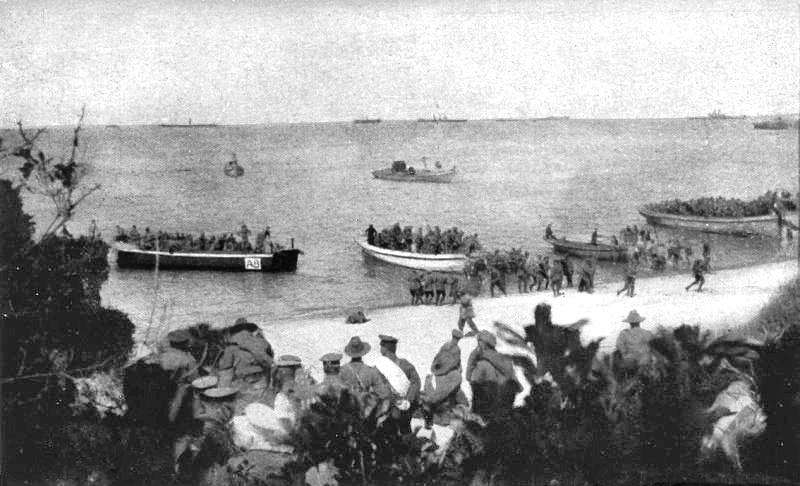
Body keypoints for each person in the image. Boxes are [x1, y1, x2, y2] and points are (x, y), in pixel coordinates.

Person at [466, 331, 518, 418]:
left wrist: (473, 357)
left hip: (486, 411)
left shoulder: (482, 364)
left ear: (482, 344)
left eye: (478, 342)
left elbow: (469, 378)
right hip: (505, 410)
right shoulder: (504, 360)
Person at [376, 335, 421, 434]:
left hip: (389, 409)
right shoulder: (405, 364)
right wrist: (408, 400)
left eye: (381, 346)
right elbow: (416, 382)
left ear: (384, 349)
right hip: (406, 408)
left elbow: (378, 387)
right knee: (406, 432)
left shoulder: (379, 367)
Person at [339, 337, 392, 403]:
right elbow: (384, 394)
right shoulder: (371, 371)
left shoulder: (341, 371)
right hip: (363, 409)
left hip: (345, 409)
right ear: (363, 352)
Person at [615, 310, 654, 374]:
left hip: (630, 362)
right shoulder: (647, 333)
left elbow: (619, 346)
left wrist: (625, 354)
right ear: (639, 322)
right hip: (645, 361)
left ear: (630, 323)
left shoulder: (624, 333)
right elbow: (652, 346)